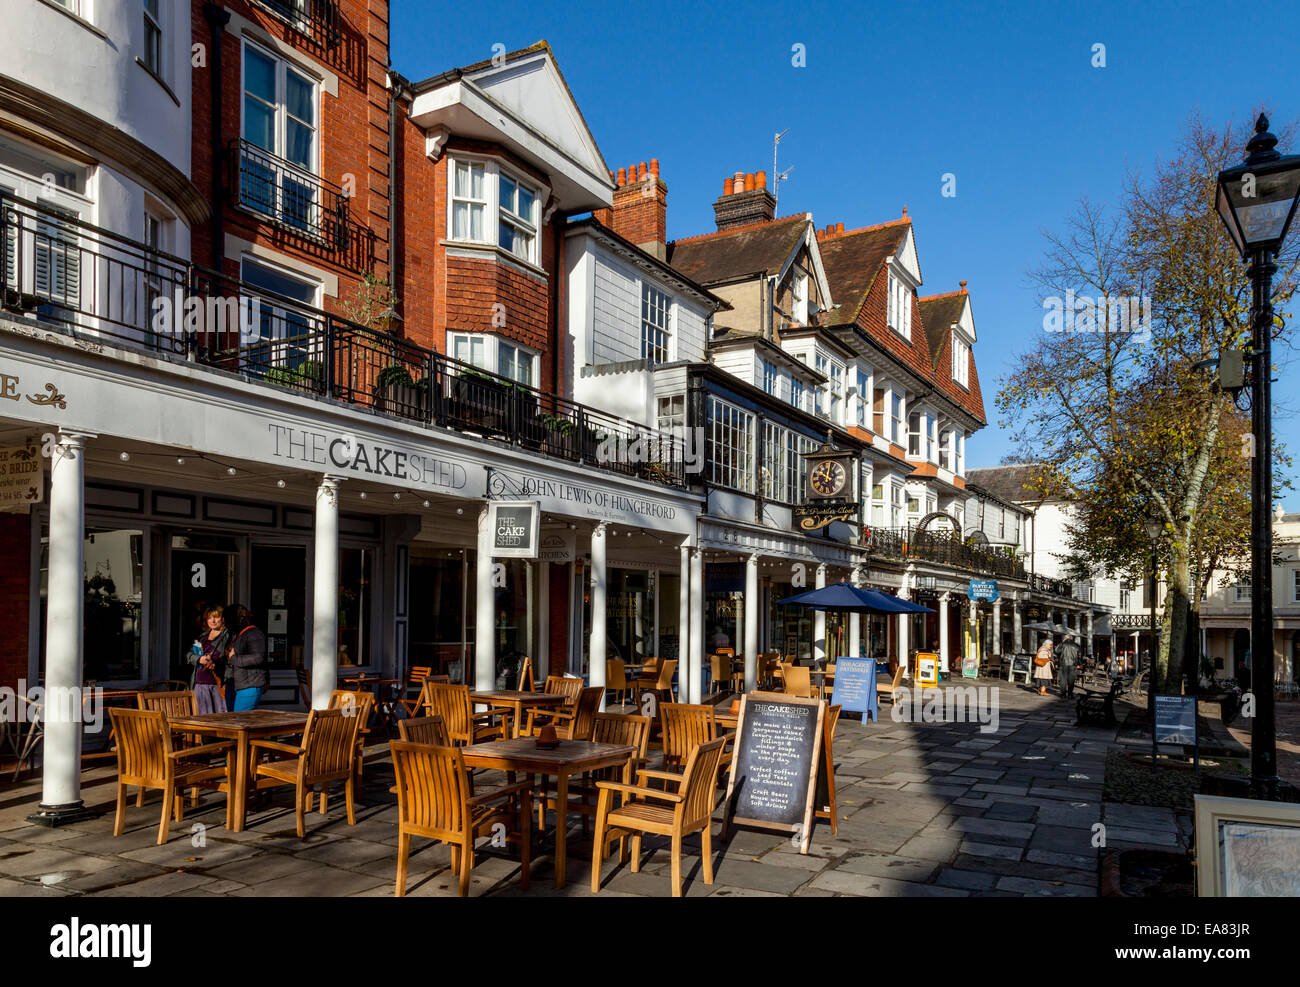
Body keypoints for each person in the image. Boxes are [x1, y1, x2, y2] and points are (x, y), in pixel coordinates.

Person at [224, 604, 268, 711]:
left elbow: (258, 657)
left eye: (227, 620)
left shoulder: (253, 633)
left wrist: (234, 658)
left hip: (249, 685)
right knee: (234, 721)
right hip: (237, 684)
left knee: (240, 722)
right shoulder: (238, 634)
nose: (225, 624)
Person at [189, 605, 231, 714]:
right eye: (209, 618)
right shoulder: (202, 637)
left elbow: (228, 657)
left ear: (223, 619)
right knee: (203, 718)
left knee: (220, 717)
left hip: (217, 683)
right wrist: (199, 659)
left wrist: (214, 661)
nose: (212, 620)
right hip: (200, 683)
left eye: (216, 617)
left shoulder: (228, 636)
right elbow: (189, 655)